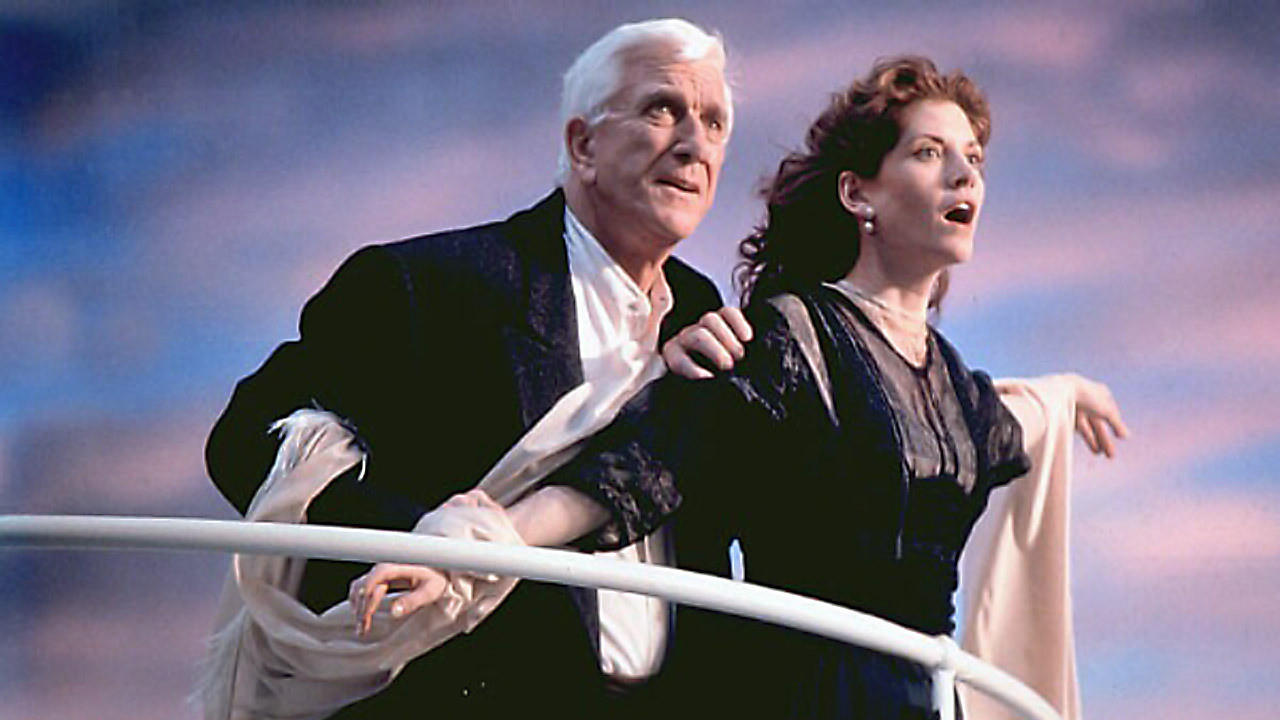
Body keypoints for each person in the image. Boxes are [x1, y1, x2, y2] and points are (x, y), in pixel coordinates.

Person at [537, 56, 1128, 719]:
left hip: (926, 700)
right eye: (929, 153)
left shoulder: (959, 388)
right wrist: (493, 537)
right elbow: (647, 462)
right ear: (857, 193)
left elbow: (1021, 416)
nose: (964, 175)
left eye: (973, 159)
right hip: (806, 694)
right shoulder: (793, 336)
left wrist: (1069, 390)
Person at [205, 18, 733, 718]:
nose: (695, 143)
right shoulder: (430, 288)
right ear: (583, 145)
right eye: (662, 109)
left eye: (715, 122)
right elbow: (244, 440)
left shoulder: (702, 313)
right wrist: (428, 540)